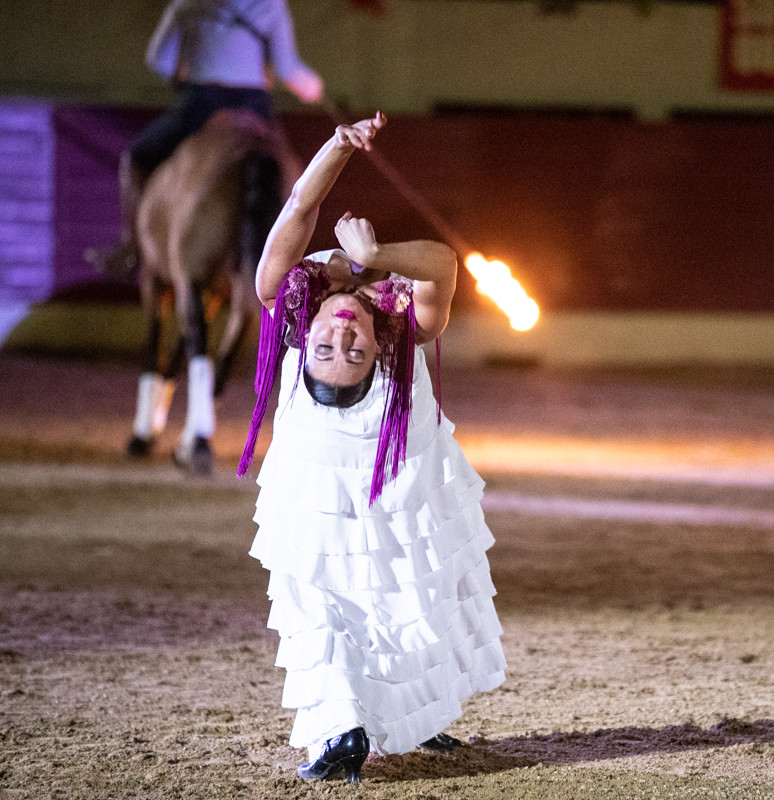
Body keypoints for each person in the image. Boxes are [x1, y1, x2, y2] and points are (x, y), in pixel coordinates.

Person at [237, 112, 506, 783]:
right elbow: (441, 264)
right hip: (325, 478)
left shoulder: (288, 297)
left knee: (414, 601)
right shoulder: (399, 324)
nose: (342, 340)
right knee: (322, 605)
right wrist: (374, 258)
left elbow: (302, 206)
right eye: (342, 352)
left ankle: (413, 717)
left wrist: (337, 145)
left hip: (402, 475)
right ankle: (342, 730)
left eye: (331, 347)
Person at [98, 0, 324, 274]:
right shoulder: (271, 4)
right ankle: (307, 248)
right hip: (254, 105)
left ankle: (132, 246)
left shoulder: (187, 4)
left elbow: (159, 60)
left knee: (135, 159)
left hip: (202, 103)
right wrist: (312, 87)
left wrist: (189, 64)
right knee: (298, 176)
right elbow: (288, 68)